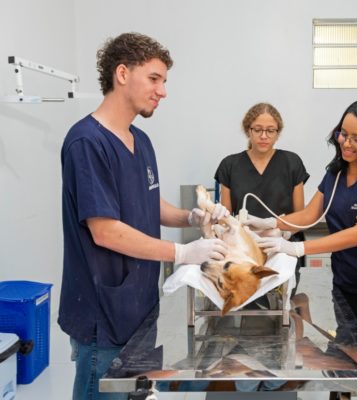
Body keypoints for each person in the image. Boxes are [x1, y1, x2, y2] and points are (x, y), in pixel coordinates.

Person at [58, 32, 229, 400]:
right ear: (122, 73)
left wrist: (193, 217)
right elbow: (106, 231)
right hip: (102, 315)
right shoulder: (87, 143)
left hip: (139, 307)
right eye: (155, 79)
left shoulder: (140, 140)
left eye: (164, 81)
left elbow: (148, 202)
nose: (163, 91)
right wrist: (182, 253)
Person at [243, 99, 357, 400]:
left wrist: (297, 250)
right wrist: (268, 222)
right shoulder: (335, 173)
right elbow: (310, 215)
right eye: (342, 134)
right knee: (343, 368)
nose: (346, 143)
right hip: (349, 285)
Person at [214, 102, 309, 294]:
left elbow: (301, 217)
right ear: (248, 131)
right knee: (246, 307)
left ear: (278, 133)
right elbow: (225, 218)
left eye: (270, 131)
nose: (264, 136)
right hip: (245, 253)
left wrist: (283, 232)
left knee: (283, 308)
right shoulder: (230, 165)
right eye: (257, 130)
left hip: (282, 250)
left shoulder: (292, 163)